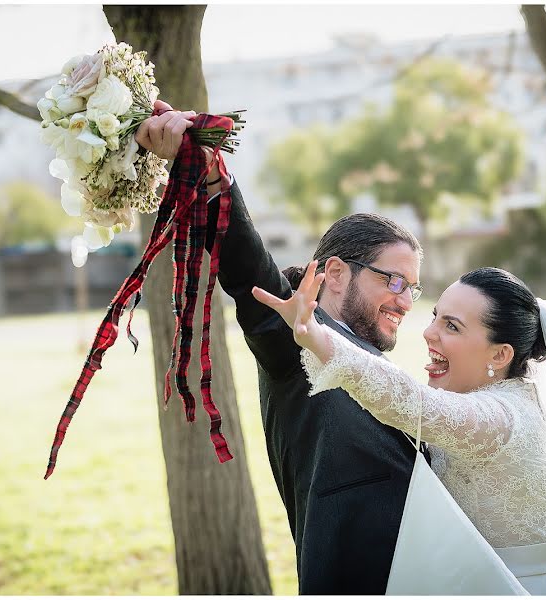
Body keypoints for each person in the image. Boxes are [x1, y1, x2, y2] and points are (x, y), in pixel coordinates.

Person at [135, 102, 429, 594]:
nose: (405, 301)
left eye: (414, 289)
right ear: (335, 273)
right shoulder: (297, 346)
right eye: (395, 280)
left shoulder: (367, 360)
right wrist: (211, 175)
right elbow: (248, 268)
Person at [253, 261, 546, 595]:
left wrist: (314, 336)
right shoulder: (509, 395)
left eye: (452, 327)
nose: (428, 332)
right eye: (436, 316)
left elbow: (415, 404)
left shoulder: (501, 419)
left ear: (501, 353)